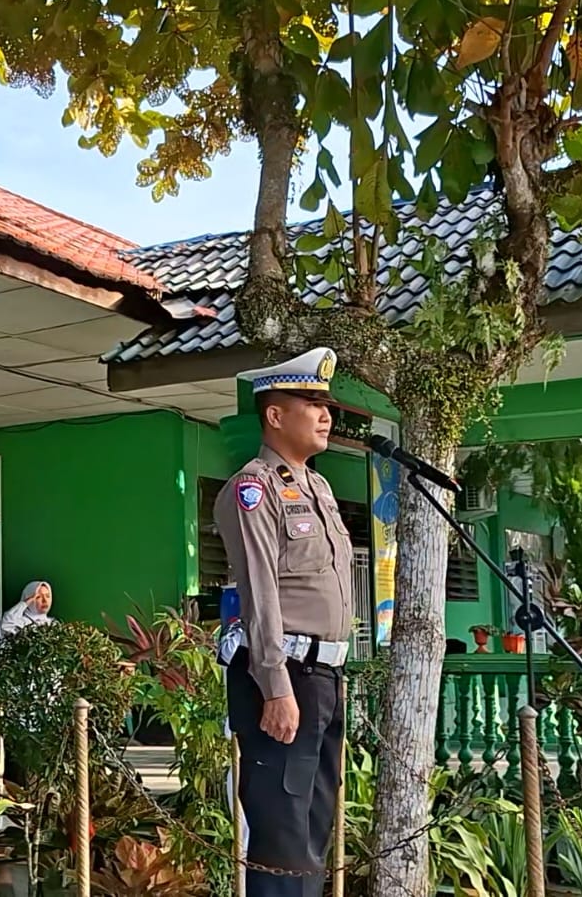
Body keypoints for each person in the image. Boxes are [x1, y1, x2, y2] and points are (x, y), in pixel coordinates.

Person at [213, 347, 353, 897]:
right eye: (311, 402)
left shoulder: (316, 487)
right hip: (284, 678)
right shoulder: (254, 490)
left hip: (324, 678)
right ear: (274, 415)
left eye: (327, 404)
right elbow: (261, 592)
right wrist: (275, 687)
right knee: (283, 837)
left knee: (314, 829)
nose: (326, 414)